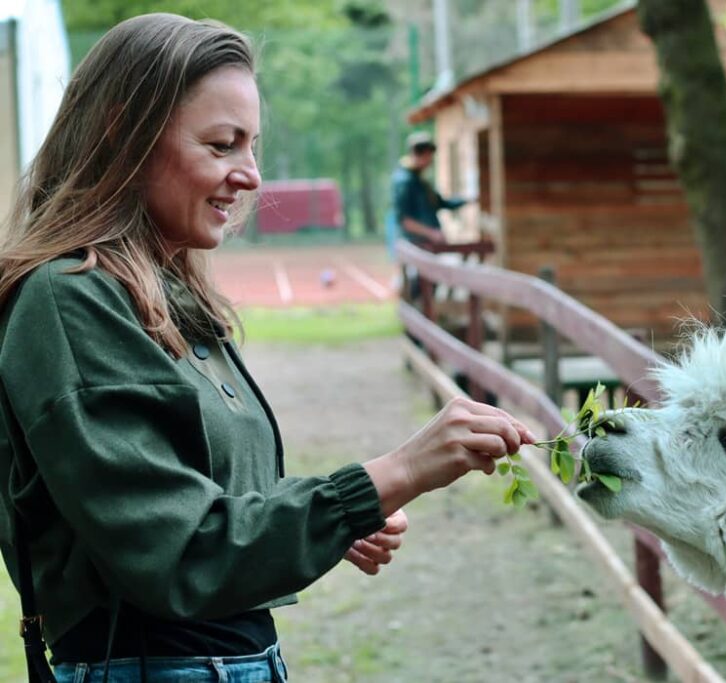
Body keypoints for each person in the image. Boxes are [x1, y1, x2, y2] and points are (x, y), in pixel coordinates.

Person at [0, 13, 534, 683]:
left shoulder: (166, 293)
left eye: (252, 145)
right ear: (121, 131)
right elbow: (180, 552)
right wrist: (395, 472)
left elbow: (197, 497)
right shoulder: (69, 300)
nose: (250, 175)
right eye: (223, 144)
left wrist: (325, 521)